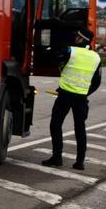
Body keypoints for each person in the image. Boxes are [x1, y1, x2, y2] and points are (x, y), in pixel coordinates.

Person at [42, 28, 101, 170]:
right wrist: (84, 92)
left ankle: (57, 157)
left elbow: (52, 55)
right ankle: (80, 162)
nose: (75, 38)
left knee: (55, 125)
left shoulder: (71, 51)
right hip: (81, 98)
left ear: (81, 39)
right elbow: (97, 82)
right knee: (80, 129)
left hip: (65, 95)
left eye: (77, 37)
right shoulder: (96, 57)